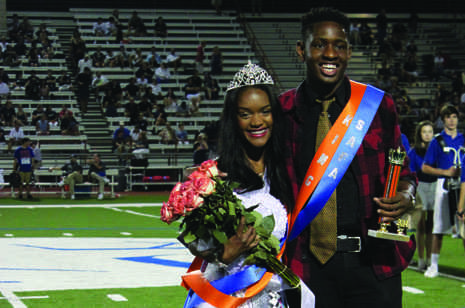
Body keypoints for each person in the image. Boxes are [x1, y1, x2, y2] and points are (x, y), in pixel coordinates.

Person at [279, 8, 416, 308]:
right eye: (319, 44)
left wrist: (406, 194)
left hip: (373, 265)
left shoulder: (378, 106)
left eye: (339, 45)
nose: (330, 53)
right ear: (302, 50)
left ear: (349, 51)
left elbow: (404, 172)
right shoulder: (282, 112)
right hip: (307, 267)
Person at [182, 62, 314, 307]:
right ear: (234, 119)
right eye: (246, 114)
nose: (257, 121)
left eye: (264, 111)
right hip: (226, 296)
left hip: (274, 297)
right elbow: (196, 243)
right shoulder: (214, 174)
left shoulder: (285, 173)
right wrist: (224, 254)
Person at [421, 105, 465, 278]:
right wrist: (445, 172)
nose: (452, 120)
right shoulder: (437, 141)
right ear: (443, 119)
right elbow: (425, 167)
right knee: (438, 227)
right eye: (448, 117)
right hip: (444, 185)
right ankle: (433, 265)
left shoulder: (463, 139)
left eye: (455, 116)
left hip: (462, 185)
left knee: (464, 228)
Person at [408, 121, 436, 270]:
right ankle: (420, 260)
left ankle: (430, 259)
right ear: (420, 134)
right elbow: (411, 173)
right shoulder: (413, 152)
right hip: (420, 188)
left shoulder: (437, 150)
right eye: (424, 131)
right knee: (421, 225)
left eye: (430, 131)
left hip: (435, 187)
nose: (427, 134)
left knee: (432, 225)